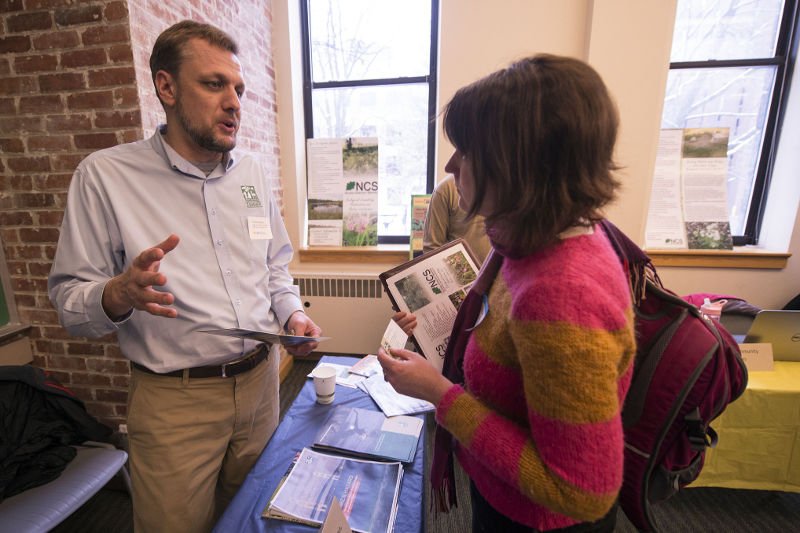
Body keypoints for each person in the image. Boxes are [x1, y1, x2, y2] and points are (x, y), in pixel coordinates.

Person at [48, 20, 321, 533]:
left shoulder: (252, 175)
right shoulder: (106, 177)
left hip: (263, 385)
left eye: (238, 88)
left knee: (258, 519)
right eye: (214, 84)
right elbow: (68, 303)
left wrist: (293, 313)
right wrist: (118, 293)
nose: (234, 102)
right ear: (166, 87)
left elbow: (273, 265)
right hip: (177, 403)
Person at [378, 54, 636, 532]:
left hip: (535, 520)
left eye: (466, 150)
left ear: (517, 163)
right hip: (505, 495)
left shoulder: (561, 295)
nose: (452, 163)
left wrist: (439, 393)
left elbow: (581, 489)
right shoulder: (533, 242)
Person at [424, 174, 491, 265]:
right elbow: (432, 250)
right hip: (464, 277)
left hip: (508, 277)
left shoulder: (512, 185)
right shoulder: (446, 188)